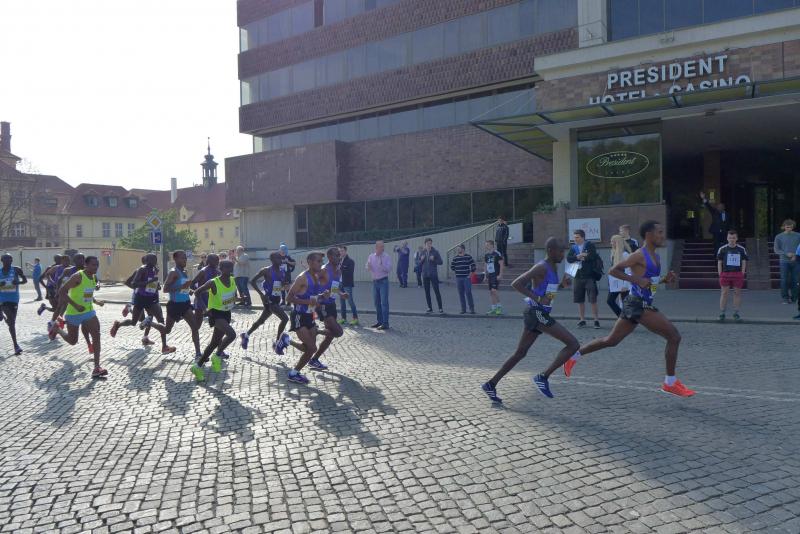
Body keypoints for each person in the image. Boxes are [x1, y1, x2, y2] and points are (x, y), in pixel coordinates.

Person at [566, 221, 695, 398]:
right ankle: (670, 383)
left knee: (611, 340)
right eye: (659, 232)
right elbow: (613, 271)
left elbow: (649, 281)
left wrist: (665, 280)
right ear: (649, 235)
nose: (662, 235)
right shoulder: (638, 255)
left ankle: (573, 356)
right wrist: (636, 280)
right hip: (638, 304)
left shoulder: (656, 256)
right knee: (674, 336)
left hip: (637, 303)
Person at [481, 237, 579, 403]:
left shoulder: (553, 267)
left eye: (564, 252)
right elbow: (516, 283)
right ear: (550, 251)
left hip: (537, 312)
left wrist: (562, 285)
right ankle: (543, 377)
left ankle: (490, 384)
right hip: (536, 312)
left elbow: (547, 292)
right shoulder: (541, 266)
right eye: (560, 252)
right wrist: (538, 299)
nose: (563, 255)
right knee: (573, 344)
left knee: (520, 353)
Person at [52, 256, 107, 378]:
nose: (96, 267)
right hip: (73, 313)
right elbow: (62, 291)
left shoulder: (93, 277)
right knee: (73, 341)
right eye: (93, 265)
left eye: (97, 265)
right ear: (86, 265)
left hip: (88, 312)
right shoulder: (78, 276)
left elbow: (87, 293)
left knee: (96, 335)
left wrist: (96, 302)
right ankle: (57, 329)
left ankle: (97, 367)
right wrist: (76, 305)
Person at [110, 253, 172, 353]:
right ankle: (119, 323)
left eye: (155, 259)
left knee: (160, 320)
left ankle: (164, 346)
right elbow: (133, 283)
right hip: (140, 299)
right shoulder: (141, 269)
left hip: (152, 299)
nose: (154, 261)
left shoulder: (155, 270)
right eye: (152, 260)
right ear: (146, 261)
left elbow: (154, 284)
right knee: (135, 322)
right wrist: (145, 285)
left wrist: (156, 286)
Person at [190, 260, 238, 382]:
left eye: (231, 267)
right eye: (226, 267)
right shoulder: (213, 282)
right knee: (232, 334)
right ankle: (217, 356)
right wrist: (205, 308)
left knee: (214, 343)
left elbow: (234, 297)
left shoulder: (232, 280)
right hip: (215, 314)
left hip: (226, 313)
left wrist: (239, 299)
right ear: (220, 268)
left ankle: (197, 366)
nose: (229, 269)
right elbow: (197, 292)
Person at [285, 252, 328, 384]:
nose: (321, 264)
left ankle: (287, 340)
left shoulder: (316, 276)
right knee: (312, 348)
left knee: (308, 348)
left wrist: (322, 296)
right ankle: (293, 373)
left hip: (310, 315)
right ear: (310, 262)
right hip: (299, 316)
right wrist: (308, 302)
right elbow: (289, 298)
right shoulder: (302, 278)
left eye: (321, 261)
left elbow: (312, 297)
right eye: (318, 261)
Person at [242, 252, 291, 352]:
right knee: (285, 318)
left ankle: (246, 335)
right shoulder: (266, 270)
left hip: (277, 299)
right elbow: (252, 281)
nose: (280, 260)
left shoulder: (282, 270)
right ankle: (277, 343)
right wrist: (261, 294)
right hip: (269, 300)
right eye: (277, 258)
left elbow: (281, 284)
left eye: (280, 258)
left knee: (261, 321)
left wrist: (285, 286)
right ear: (272, 260)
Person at [308, 247, 348, 370]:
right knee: (338, 332)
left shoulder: (338, 270)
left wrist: (341, 294)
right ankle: (316, 331)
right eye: (336, 255)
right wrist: (312, 307)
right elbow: (310, 282)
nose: (339, 257)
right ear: (330, 257)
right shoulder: (324, 270)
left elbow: (334, 288)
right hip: (322, 304)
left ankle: (314, 359)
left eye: (339, 255)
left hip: (332, 304)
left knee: (330, 335)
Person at [162, 250, 202, 360]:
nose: (185, 260)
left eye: (185, 258)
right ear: (175, 259)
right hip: (175, 305)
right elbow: (165, 289)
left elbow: (183, 287)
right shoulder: (173, 272)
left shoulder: (184, 271)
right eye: (182, 258)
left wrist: (189, 290)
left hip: (185, 304)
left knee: (194, 327)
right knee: (167, 330)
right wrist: (181, 287)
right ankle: (150, 323)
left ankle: (198, 353)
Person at [566, 229, 601, 329]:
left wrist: (583, 257)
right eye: (574, 237)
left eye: (577, 237)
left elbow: (592, 256)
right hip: (578, 277)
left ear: (582, 237)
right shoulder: (573, 247)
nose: (575, 239)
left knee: (592, 299)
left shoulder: (590, 245)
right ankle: (582, 320)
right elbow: (569, 258)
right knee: (579, 300)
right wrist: (578, 256)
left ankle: (596, 320)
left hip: (589, 277)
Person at [716, 230, 748, 322]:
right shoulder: (722, 249)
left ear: (736, 238)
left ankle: (736, 313)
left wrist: (742, 273)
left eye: (733, 238)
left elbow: (744, 261)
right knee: (724, 293)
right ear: (727, 238)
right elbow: (719, 262)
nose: (732, 240)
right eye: (730, 238)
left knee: (737, 293)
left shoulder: (741, 249)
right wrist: (720, 274)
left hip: (737, 274)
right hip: (725, 274)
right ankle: (722, 313)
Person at [0, 253, 27, 355]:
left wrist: (18, 282)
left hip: (14, 299)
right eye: (5, 259)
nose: (7, 261)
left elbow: (25, 280)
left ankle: (4, 317)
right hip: (2, 299)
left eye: (9, 259)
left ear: (12, 260)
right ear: (2, 261)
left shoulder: (16, 270)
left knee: (12, 322)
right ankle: (16, 345)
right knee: (11, 320)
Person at [366, 240, 391, 329]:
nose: (383, 248)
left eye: (383, 246)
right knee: (376, 303)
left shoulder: (386, 256)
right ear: (376, 247)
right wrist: (368, 266)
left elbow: (389, 269)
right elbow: (367, 267)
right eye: (381, 247)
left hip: (383, 281)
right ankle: (379, 321)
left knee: (384, 302)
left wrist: (382, 265)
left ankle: (385, 323)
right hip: (375, 282)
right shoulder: (371, 256)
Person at [774, 219, 800, 304]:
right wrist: (786, 253)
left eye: (791, 227)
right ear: (783, 227)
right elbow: (776, 249)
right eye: (787, 227)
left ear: (793, 227)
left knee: (795, 280)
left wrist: (795, 255)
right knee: (784, 280)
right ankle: (785, 298)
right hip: (784, 261)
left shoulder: (798, 235)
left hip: (796, 261)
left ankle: (794, 298)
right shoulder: (779, 237)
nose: (789, 229)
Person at [699, 191, 732, 258]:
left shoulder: (728, 214)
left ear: (724, 207)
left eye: (720, 207)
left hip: (725, 232)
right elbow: (708, 206)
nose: (719, 208)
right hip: (716, 231)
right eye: (718, 207)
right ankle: (717, 256)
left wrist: (730, 231)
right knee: (716, 244)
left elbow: (729, 223)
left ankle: (724, 256)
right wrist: (703, 198)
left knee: (725, 244)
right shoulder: (714, 212)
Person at [191, 253, 220, 328]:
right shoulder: (203, 271)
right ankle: (195, 332)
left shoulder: (217, 271)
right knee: (197, 324)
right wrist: (197, 291)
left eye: (218, 260)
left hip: (213, 298)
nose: (217, 262)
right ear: (209, 261)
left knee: (217, 321)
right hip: (201, 298)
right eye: (216, 260)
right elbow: (193, 283)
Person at [606, 235, 632, 317]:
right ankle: (623, 318)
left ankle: (624, 319)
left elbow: (629, 270)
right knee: (611, 301)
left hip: (623, 282)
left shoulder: (625, 254)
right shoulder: (613, 253)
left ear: (617, 243)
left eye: (612, 242)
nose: (611, 243)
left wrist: (625, 285)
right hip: (615, 282)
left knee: (623, 302)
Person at [450, 244, 476, 314]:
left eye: (459, 248)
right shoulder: (455, 258)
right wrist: (457, 270)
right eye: (457, 249)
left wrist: (471, 273)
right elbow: (452, 267)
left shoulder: (468, 257)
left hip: (466, 278)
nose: (458, 250)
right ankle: (463, 309)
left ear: (463, 249)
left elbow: (473, 266)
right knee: (461, 293)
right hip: (458, 278)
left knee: (468, 292)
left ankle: (472, 308)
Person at [420, 238, 444, 314]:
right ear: (425, 244)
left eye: (430, 243)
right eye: (427, 244)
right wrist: (421, 260)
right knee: (427, 292)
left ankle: (440, 308)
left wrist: (434, 260)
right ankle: (429, 308)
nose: (429, 245)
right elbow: (418, 263)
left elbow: (441, 262)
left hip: (433, 274)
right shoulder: (422, 252)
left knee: (436, 291)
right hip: (425, 275)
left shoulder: (435, 252)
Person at [338, 245, 359, 326]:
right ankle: (343, 318)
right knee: (342, 302)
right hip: (339, 283)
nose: (341, 252)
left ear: (346, 251)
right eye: (340, 251)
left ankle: (355, 318)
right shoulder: (338, 261)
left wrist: (341, 268)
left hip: (347, 284)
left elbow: (350, 273)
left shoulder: (350, 261)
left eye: (342, 251)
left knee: (350, 301)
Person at [484, 240, 505, 315]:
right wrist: (485, 275)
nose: (486, 246)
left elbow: (501, 264)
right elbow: (485, 265)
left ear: (492, 245)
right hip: (490, 275)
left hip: (495, 275)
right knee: (491, 292)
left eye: (487, 245)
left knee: (494, 290)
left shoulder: (497, 254)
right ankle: (493, 308)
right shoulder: (486, 255)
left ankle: (499, 307)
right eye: (485, 245)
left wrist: (500, 274)